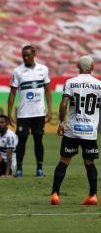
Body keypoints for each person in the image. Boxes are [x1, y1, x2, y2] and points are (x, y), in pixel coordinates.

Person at [50, 56, 100, 205]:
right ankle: (92, 196)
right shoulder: (99, 85)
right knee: (89, 163)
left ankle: (55, 194)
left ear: (78, 66)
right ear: (92, 67)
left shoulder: (70, 82)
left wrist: (61, 123)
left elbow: (63, 104)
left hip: (72, 129)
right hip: (90, 131)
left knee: (64, 161)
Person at [7, 45, 52, 177]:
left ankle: (39, 168)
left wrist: (50, 110)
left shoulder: (43, 69)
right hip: (23, 114)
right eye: (23, 56)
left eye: (28, 55)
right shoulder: (17, 71)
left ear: (34, 54)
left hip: (39, 113)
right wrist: (9, 113)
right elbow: (12, 93)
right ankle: (19, 169)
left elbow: (48, 90)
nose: (25, 58)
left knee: (38, 140)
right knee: (21, 141)